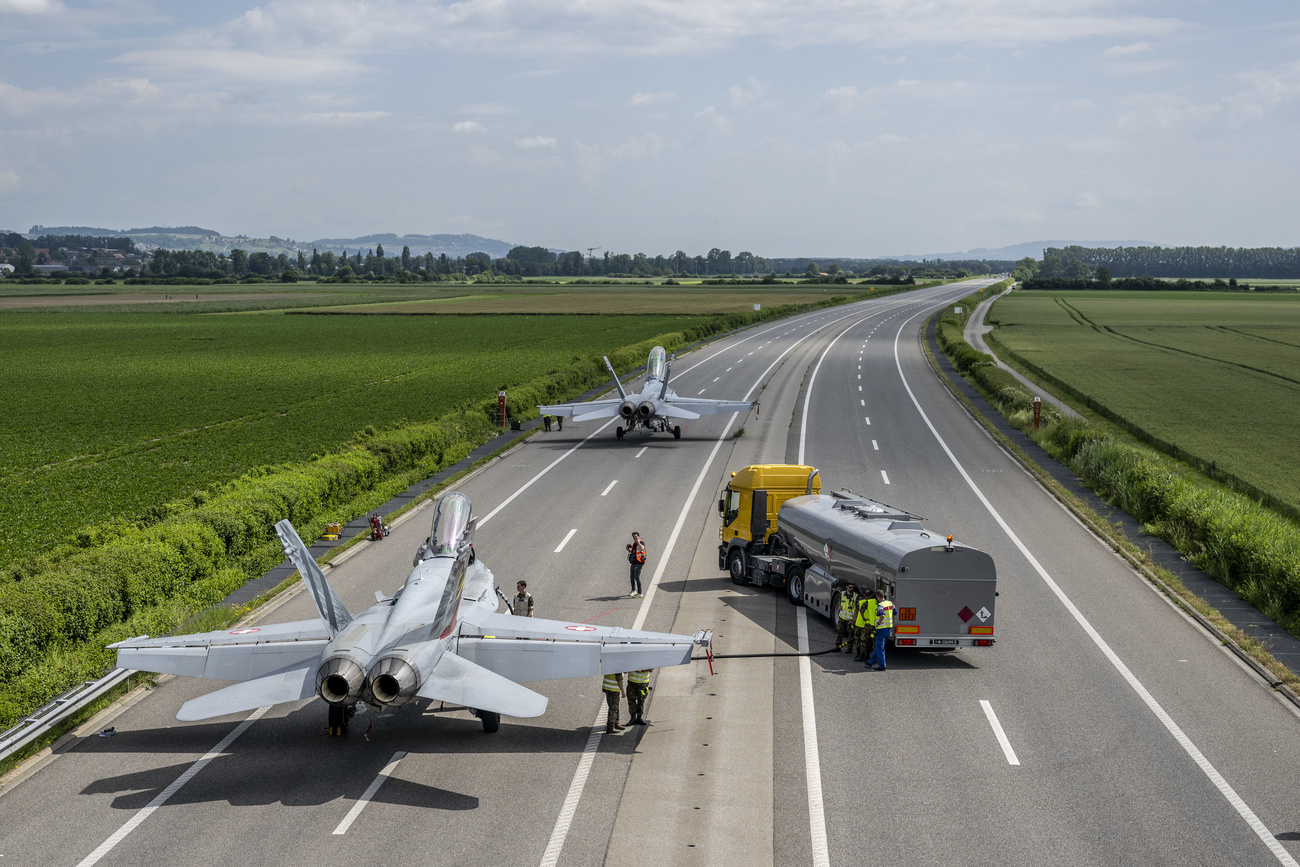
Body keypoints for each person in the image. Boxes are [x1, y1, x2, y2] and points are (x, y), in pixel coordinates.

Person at [866, 589, 895, 671]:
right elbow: (895, 612)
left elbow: (882, 615)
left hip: (881, 629)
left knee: (880, 647)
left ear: (878, 597)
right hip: (888, 628)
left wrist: (878, 622)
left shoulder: (880, 605)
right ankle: (870, 663)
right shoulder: (890, 603)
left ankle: (882, 666)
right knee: (878, 647)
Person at [853, 590, 877, 662]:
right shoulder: (877, 603)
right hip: (871, 625)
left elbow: (856, 612)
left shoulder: (861, 602)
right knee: (870, 641)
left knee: (861, 640)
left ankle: (860, 655)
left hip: (860, 624)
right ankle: (869, 656)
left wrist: (853, 622)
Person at [836, 583, 858, 652]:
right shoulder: (842, 594)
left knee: (851, 634)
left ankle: (849, 649)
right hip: (842, 618)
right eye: (850, 587)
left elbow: (857, 608)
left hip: (850, 619)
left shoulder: (856, 596)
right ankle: (837, 646)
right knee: (839, 632)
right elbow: (839, 600)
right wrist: (839, 605)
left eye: (853, 588)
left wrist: (854, 619)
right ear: (846, 587)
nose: (851, 589)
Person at [626, 532, 646, 597]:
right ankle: (633, 590)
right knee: (632, 577)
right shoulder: (634, 543)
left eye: (636, 536)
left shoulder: (641, 542)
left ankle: (640, 593)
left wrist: (638, 542)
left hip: (639, 563)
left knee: (637, 578)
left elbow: (642, 548)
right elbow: (633, 552)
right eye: (633, 537)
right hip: (633, 562)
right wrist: (628, 550)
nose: (634, 538)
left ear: (638, 536)